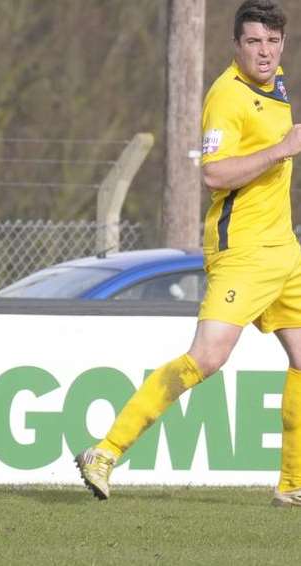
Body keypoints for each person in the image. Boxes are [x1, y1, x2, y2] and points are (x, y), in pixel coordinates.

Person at [76, 0, 301, 506]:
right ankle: (105, 451)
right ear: (235, 45)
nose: (264, 52)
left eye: (272, 41)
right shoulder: (226, 97)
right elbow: (213, 174)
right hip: (242, 251)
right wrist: (281, 150)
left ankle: (292, 485)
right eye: (253, 42)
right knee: (206, 358)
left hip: (284, 250)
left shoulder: (278, 82)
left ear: (282, 44)